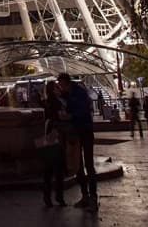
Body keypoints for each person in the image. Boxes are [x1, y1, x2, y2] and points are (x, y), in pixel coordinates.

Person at [57, 73, 98, 212]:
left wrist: (71, 115)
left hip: (85, 131)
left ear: (66, 82)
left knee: (89, 164)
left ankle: (93, 198)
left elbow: (84, 110)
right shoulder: (67, 94)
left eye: (61, 84)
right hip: (75, 132)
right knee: (78, 164)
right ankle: (85, 196)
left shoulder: (79, 92)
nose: (60, 87)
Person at [42, 80, 66, 208]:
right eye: (57, 87)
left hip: (49, 133)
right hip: (56, 134)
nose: (59, 88)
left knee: (49, 168)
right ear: (53, 89)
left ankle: (47, 196)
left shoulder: (46, 101)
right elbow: (61, 116)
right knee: (57, 167)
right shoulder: (56, 101)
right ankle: (59, 197)